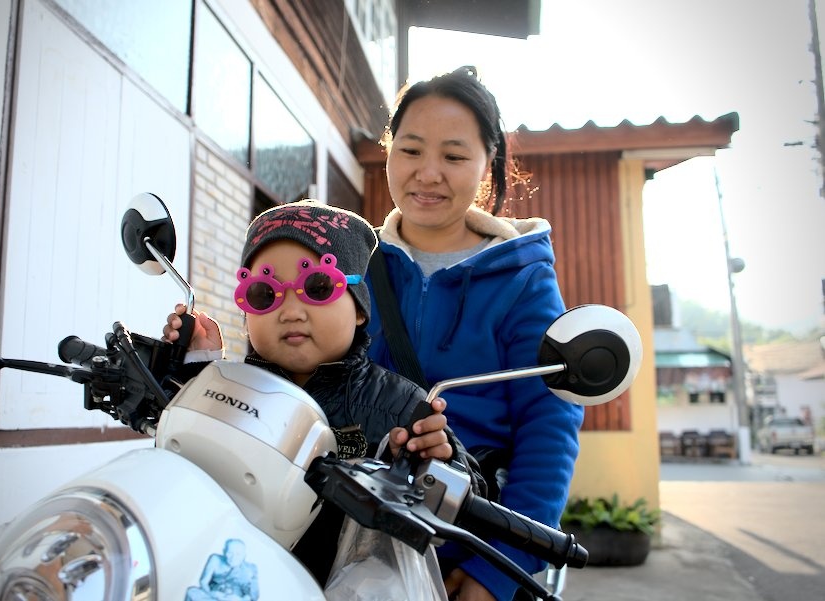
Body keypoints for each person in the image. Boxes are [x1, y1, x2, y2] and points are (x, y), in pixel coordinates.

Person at [163, 199, 477, 585]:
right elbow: (184, 453)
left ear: (360, 309)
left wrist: (438, 462)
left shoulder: (401, 406)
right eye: (264, 293)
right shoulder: (232, 390)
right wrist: (197, 365)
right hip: (239, 582)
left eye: (317, 286)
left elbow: (468, 499)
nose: (291, 311)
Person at [366, 65, 585, 601]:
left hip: (468, 548)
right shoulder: (352, 262)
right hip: (348, 531)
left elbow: (548, 423)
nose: (429, 172)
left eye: (455, 156)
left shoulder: (523, 277)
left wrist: (500, 570)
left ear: (488, 164)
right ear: (389, 150)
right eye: (411, 150)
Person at [185, 538, 259, 601]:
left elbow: (253, 595)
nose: (233, 558)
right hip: (213, 596)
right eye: (230, 553)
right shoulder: (215, 559)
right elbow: (203, 582)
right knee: (192, 591)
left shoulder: (249, 569)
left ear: (244, 556)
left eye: (238, 554)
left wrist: (239, 599)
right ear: (224, 552)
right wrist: (213, 594)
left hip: (234, 598)